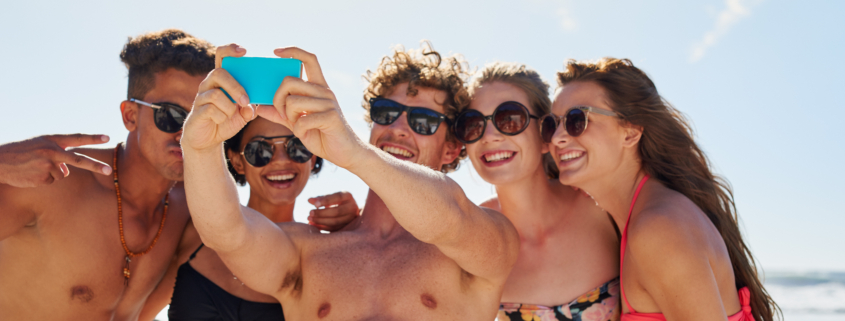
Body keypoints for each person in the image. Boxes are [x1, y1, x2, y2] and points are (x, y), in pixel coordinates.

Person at [0, 29, 354, 321]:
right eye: (170, 115)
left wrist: (352, 223)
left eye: (201, 114)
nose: (186, 132)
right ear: (129, 116)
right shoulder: (54, 182)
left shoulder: (191, 211)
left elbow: (261, 229)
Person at [181, 43, 520, 320]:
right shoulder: (307, 250)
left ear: (451, 149)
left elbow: (450, 218)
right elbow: (227, 233)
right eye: (387, 113)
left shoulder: (486, 240)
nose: (399, 128)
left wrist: (355, 154)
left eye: (424, 121)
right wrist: (200, 148)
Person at [543, 58, 779, 321]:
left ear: (630, 132)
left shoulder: (658, 229)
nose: (557, 138)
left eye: (578, 120)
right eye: (552, 124)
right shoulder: (640, 218)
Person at [453, 62, 620, 320]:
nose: (488, 136)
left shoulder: (602, 205)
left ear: (546, 134)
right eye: (473, 124)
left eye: (509, 119)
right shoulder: (470, 235)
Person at [167, 116, 355, 321]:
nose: (282, 159)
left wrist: (359, 222)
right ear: (237, 161)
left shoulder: (324, 252)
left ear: (312, 157)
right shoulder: (191, 229)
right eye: (260, 150)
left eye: (296, 146)